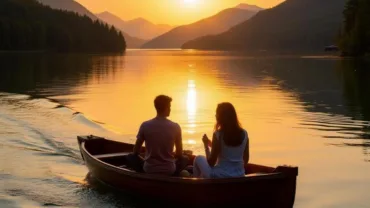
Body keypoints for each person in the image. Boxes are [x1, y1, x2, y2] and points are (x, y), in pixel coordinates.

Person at [127, 95, 188, 176]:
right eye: (169, 106)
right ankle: (173, 178)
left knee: (130, 157)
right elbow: (179, 154)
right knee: (185, 159)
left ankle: (142, 176)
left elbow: (135, 151)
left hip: (149, 169)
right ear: (166, 108)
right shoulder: (176, 127)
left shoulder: (145, 125)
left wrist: (147, 154)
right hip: (169, 170)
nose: (170, 109)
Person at [193, 102, 249, 178]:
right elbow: (245, 160)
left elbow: (211, 163)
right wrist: (211, 144)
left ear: (220, 117)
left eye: (216, 114)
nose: (215, 116)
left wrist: (206, 146)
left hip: (220, 176)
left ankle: (197, 186)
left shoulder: (218, 134)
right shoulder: (245, 134)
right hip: (240, 175)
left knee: (198, 158)